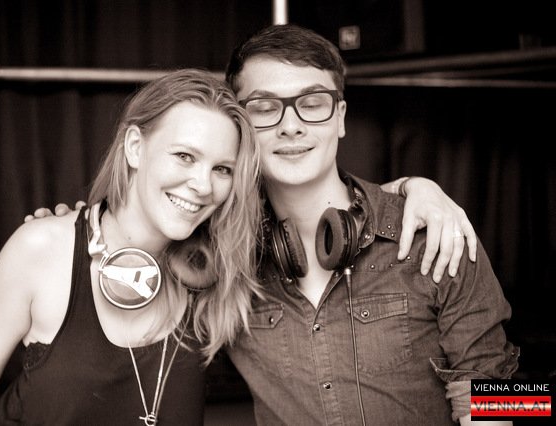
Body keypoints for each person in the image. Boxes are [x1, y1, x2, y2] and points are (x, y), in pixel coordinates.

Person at [222, 24, 518, 425]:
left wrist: (415, 188)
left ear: (340, 118)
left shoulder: (437, 233)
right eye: (264, 107)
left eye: (313, 103)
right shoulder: (222, 258)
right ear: (239, 125)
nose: (291, 125)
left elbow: (508, 400)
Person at [0, 69, 264, 425]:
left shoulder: (217, 278)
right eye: (184, 156)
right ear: (135, 147)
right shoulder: (41, 249)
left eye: (222, 169)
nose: (203, 185)